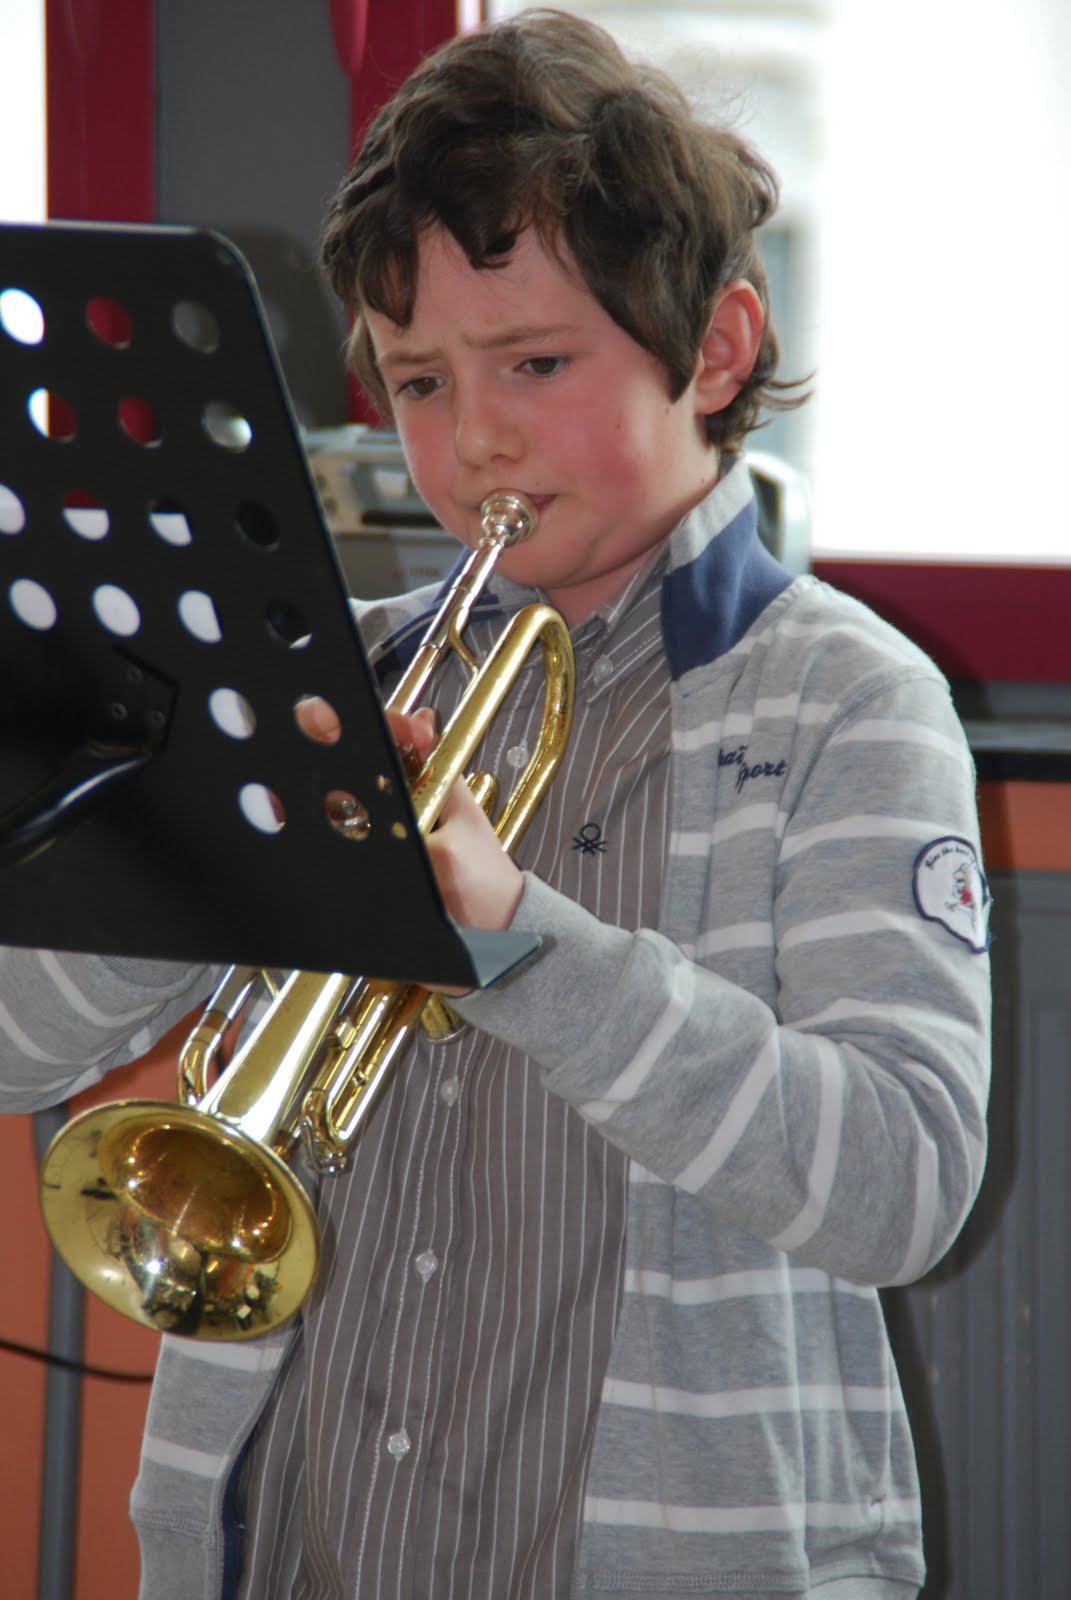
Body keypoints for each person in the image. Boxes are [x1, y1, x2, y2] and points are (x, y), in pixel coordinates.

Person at [0, 9, 991, 1598]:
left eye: (536, 363)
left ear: (717, 350)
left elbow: (903, 1184)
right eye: (416, 381)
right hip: (301, 1545)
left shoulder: (848, 704)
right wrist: (172, 850)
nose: (475, 443)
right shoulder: (332, 685)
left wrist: (524, 943)